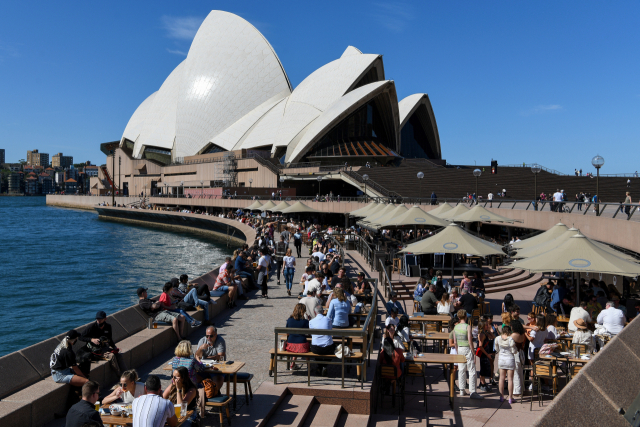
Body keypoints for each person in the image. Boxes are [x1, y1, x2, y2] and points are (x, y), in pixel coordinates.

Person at [453, 309, 483, 399]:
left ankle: (462, 390)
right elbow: (470, 341)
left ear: (458, 317)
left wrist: (458, 351)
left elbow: (455, 342)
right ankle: (472, 391)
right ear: (466, 316)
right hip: (467, 348)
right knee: (471, 370)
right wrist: (473, 353)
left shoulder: (455, 327)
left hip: (460, 349)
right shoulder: (468, 326)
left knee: (461, 369)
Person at [309, 305, 335, 377]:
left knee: (316, 348)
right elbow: (330, 331)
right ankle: (324, 366)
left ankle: (320, 366)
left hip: (316, 348)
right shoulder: (328, 320)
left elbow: (311, 334)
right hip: (328, 347)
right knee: (333, 349)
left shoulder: (311, 321)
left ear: (315, 312)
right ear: (323, 312)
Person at [495, 325, 518, 403]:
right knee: (510, 379)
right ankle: (510, 398)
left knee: (501, 379)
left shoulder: (498, 338)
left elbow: (496, 349)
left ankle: (501, 396)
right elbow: (514, 351)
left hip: (501, 359)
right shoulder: (510, 339)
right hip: (510, 359)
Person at [285, 304, 310, 370]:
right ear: (303, 312)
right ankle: (308, 366)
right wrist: (309, 321)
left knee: (296, 345)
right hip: (302, 346)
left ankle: (292, 365)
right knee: (306, 345)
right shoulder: (305, 321)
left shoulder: (289, 320)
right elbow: (308, 332)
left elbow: (287, 333)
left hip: (290, 345)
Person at [509, 320, 526, 397]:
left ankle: (517, 390)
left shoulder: (513, 335)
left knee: (516, 373)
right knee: (520, 372)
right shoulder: (522, 334)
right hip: (521, 353)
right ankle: (521, 388)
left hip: (515, 354)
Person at [476, 320, 493, 392]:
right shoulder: (482, 334)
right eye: (486, 325)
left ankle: (483, 383)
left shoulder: (485, 333)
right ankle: (482, 384)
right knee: (483, 369)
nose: (488, 326)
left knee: (485, 368)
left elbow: (493, 337)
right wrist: (487, 354)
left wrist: (489, 330)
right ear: (483, 326)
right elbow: (480, 346)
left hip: (486, 353)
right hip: (484, 354)